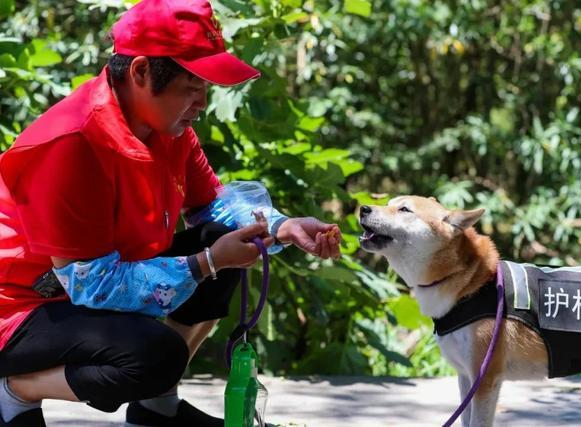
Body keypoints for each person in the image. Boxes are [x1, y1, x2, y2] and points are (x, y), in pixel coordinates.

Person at [0, 0, 341, 425]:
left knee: (218, 238)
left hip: (79, 291)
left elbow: (213, 205)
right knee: (155, 354)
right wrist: (208, 261)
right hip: (20, 308)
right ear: (141, 72)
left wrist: (282, 226)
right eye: (192, 87)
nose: (201, 103)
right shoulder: (72, 143)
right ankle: (16, 390)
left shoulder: (168, 128)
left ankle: (155, 410)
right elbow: (92, 285)